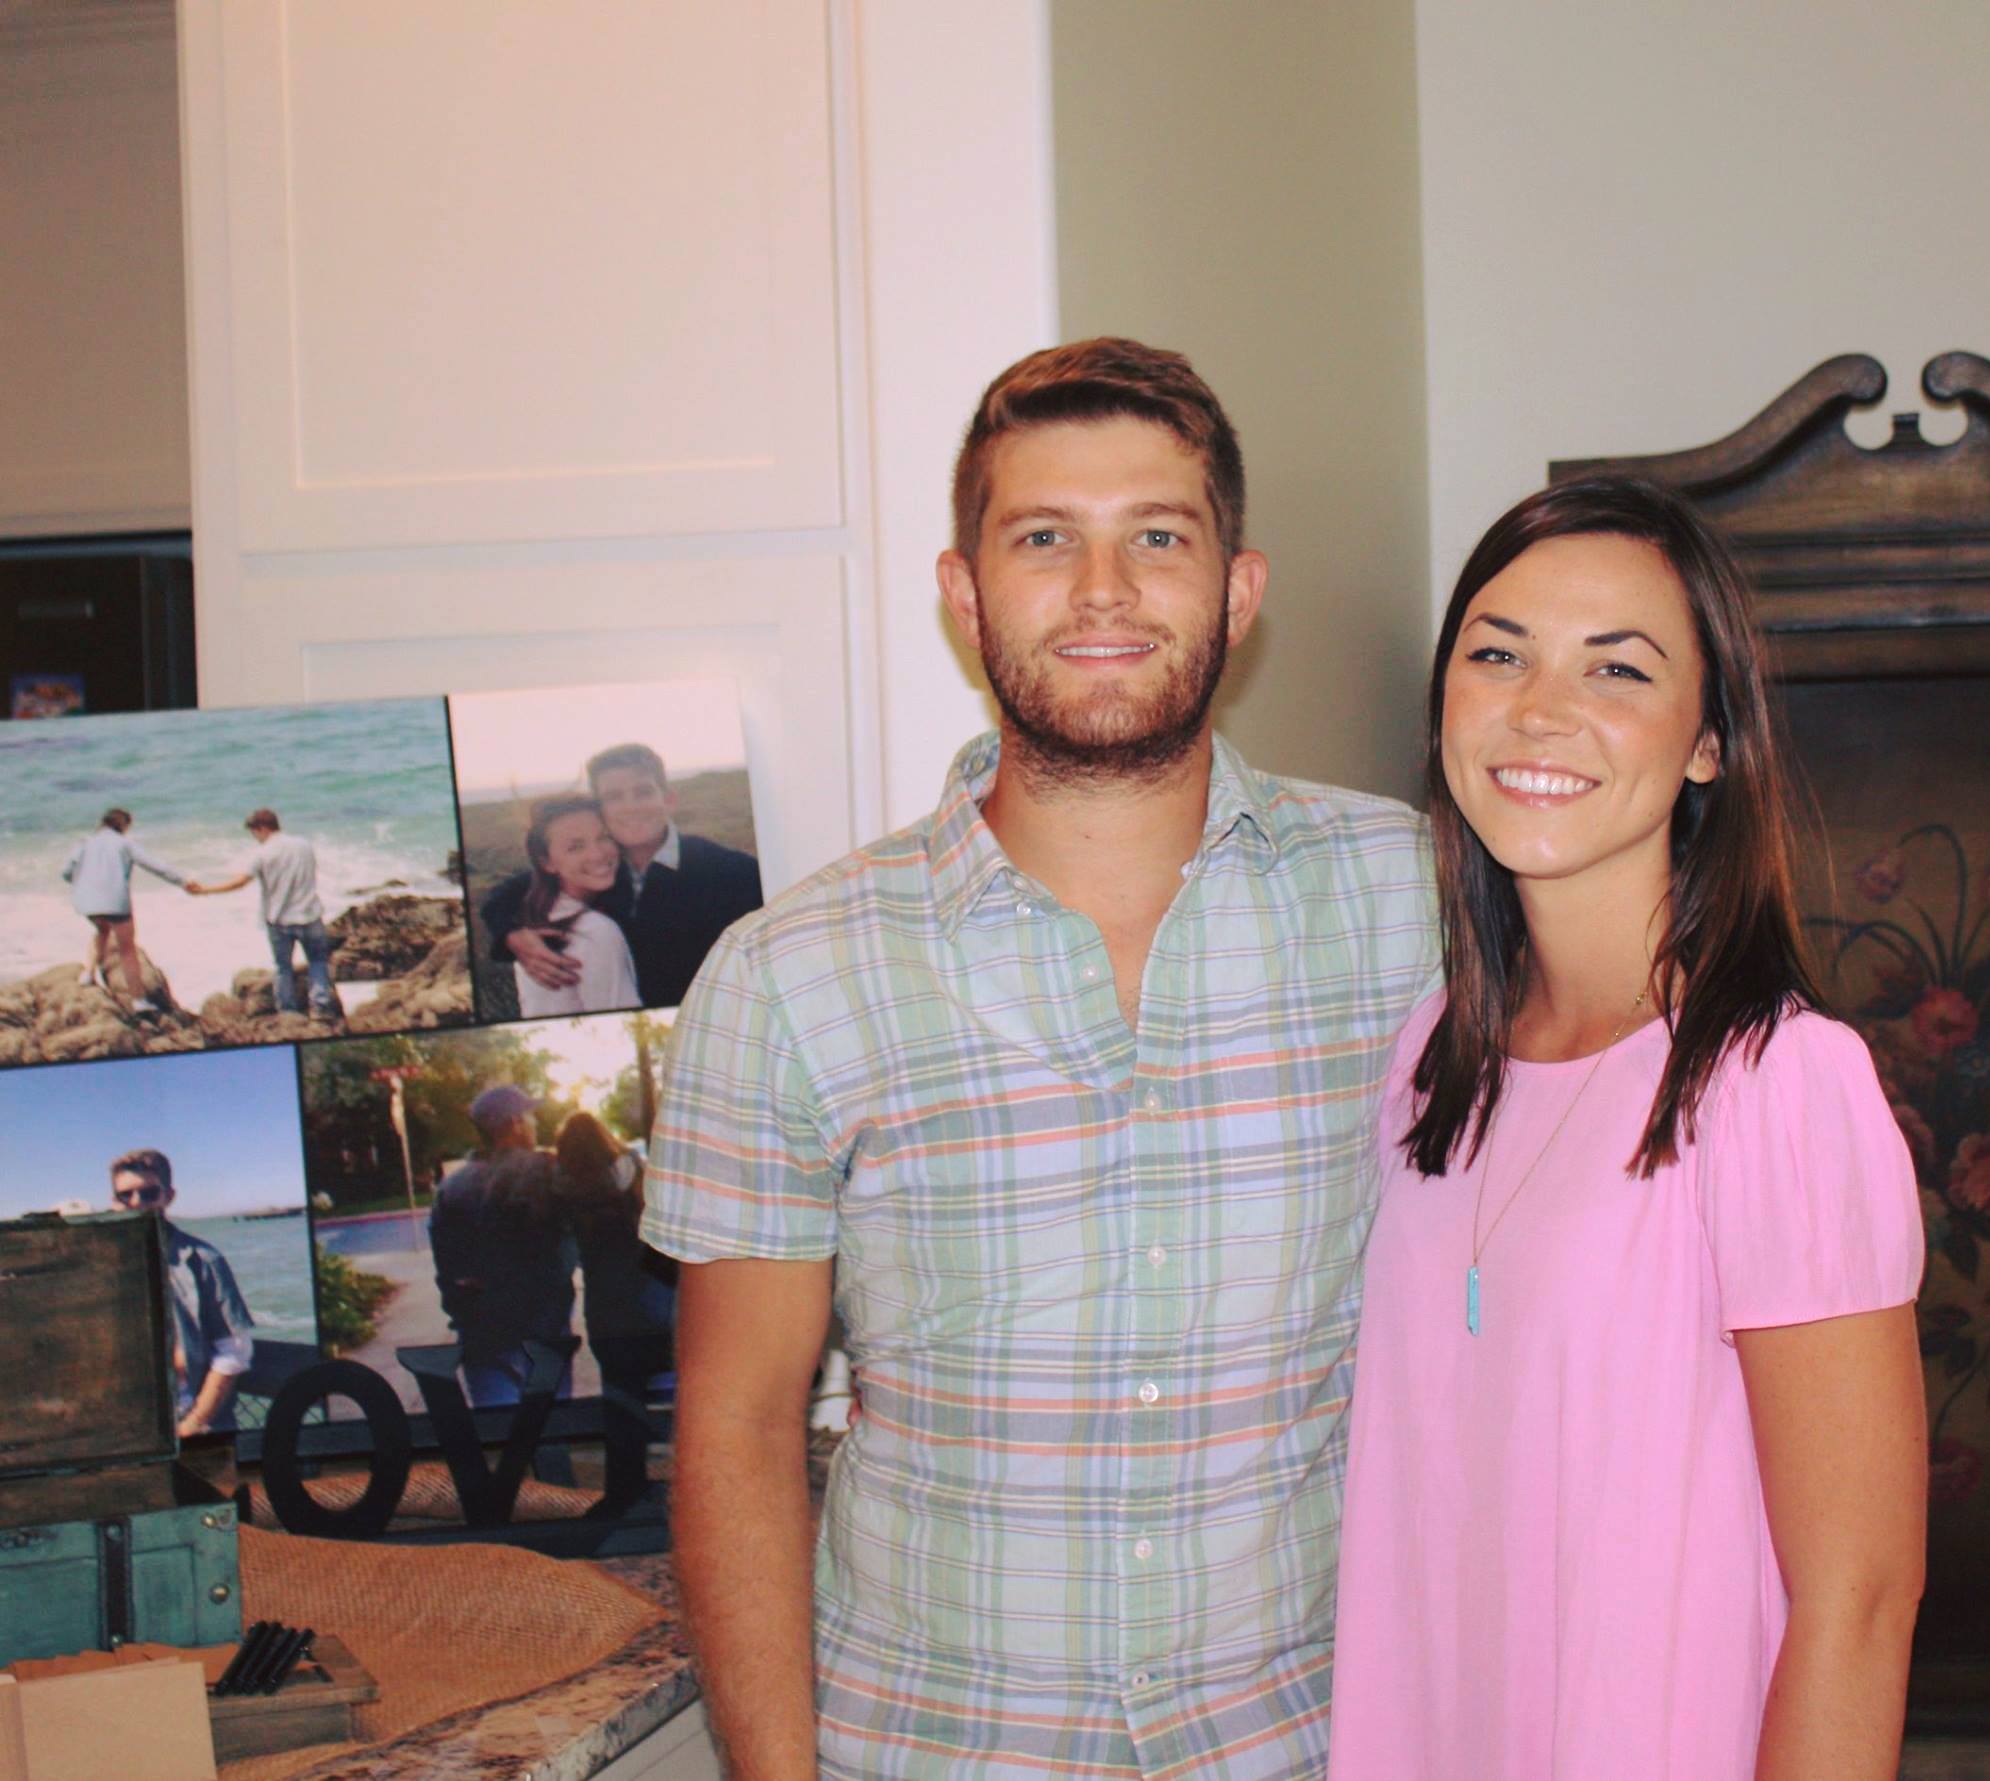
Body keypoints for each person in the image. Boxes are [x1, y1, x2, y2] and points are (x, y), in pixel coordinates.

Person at [644, 339, 1436, 1778]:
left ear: (1238, 590)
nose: (1103, 589)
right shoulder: (787, 977)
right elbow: (738, 1428)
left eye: (1158, 537)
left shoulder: (1413, 903)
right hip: (932, 1748)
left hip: (1307, 1741)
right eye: (1044, 538)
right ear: (964, 593)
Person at [1327, 476, 1926, 1779]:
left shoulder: (1775, 1084)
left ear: (1707, 742)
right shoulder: (1428, 1059)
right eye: (1498, 655)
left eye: (1617, 669)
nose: (1541, 708)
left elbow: (1860, 1599)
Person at [481, 743, 763, 1009]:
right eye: (614, 797)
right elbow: (507, 894)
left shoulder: (734, 871)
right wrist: (510, 934)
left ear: (668, 800)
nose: (630, 807)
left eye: (643, 792)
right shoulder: (600, 868)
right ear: (599, 809)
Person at [426, 1085, 574, 1407]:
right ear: (515, 1123)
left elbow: (446, 1265)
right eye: (530, 1116)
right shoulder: (546, 1171)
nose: (535, 1123)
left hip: (484, 1336)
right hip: (544, 1331)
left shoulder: (452, 1188)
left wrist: (463, 1308)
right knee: (553, 1425)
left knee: (498, 1428)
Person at [555, 1110, 674, 1507]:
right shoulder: (632, 1171)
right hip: (653, 1301)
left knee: (621, 1399)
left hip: (606, 1312)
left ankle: (626, 1485)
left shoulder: (565, 1191)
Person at [108, 1148, 255, 1438]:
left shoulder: (204, 1260)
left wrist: (193, 1424)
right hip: (129, 1426)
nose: (136, 1203)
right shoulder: (102, 1267)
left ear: (168, 1196)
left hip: (191, 1423)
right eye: (125, 1195)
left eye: (149, 1193)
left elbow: (234, 1352)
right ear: (115, 1202)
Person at [188, 808, 340, 1018]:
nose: (255, 838)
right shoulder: (303, 844)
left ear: (261, 828)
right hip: (310, 915)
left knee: (283, 967)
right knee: (318, 961)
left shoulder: (262, 853)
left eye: (254, 832)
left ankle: (287, 1011)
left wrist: (206, 890)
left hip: (279, 920)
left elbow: (240, 882)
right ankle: (320, 1007)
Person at [506, 796, 641, 1016]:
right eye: (575, 847)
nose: (598, 854)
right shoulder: (595, 930)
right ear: (547, 862)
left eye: (604, 837)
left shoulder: (534, 919)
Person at [61, 808, 199, 1013]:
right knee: (127, 950)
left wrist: (86, 883)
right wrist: (183, 881)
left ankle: (88, 974)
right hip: (115, 903)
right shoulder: (125, 844)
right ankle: (138, 1000)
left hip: (86, 902)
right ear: (124, 826)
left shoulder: (84, 842)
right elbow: (156, 866)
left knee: (102, 930)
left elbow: (66, 873)